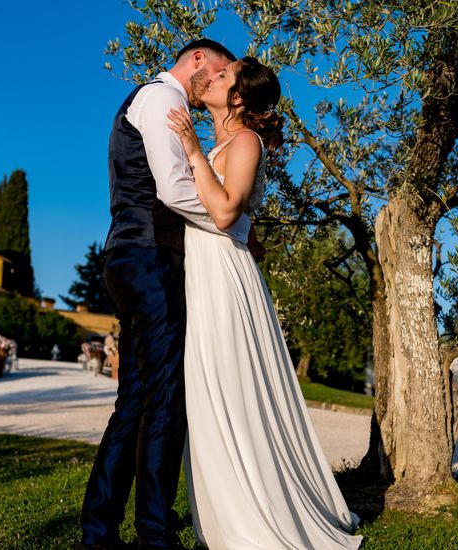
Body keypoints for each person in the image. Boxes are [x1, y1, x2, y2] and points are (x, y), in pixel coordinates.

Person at [167, 57, 362, 549]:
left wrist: (190, 150)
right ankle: (226, 511)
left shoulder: (245, 142)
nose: (211, 75)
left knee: (232, 386)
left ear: (237, 98)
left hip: (225, 280)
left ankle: (257, 515)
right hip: (207, 272)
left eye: (224, 75)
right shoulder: (223, 143)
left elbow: (226, 207)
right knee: (211, 390)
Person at [76, 39, 237, 550]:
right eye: (214, 73)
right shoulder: (163, 99)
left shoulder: (150, 100)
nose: (214, 83)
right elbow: (170, 189)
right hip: (147, 257)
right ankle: (154, 533)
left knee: (138, 400)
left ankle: (99, 532)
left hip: (132, 256)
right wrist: (227, 225)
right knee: (164, 398)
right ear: (196, 61)